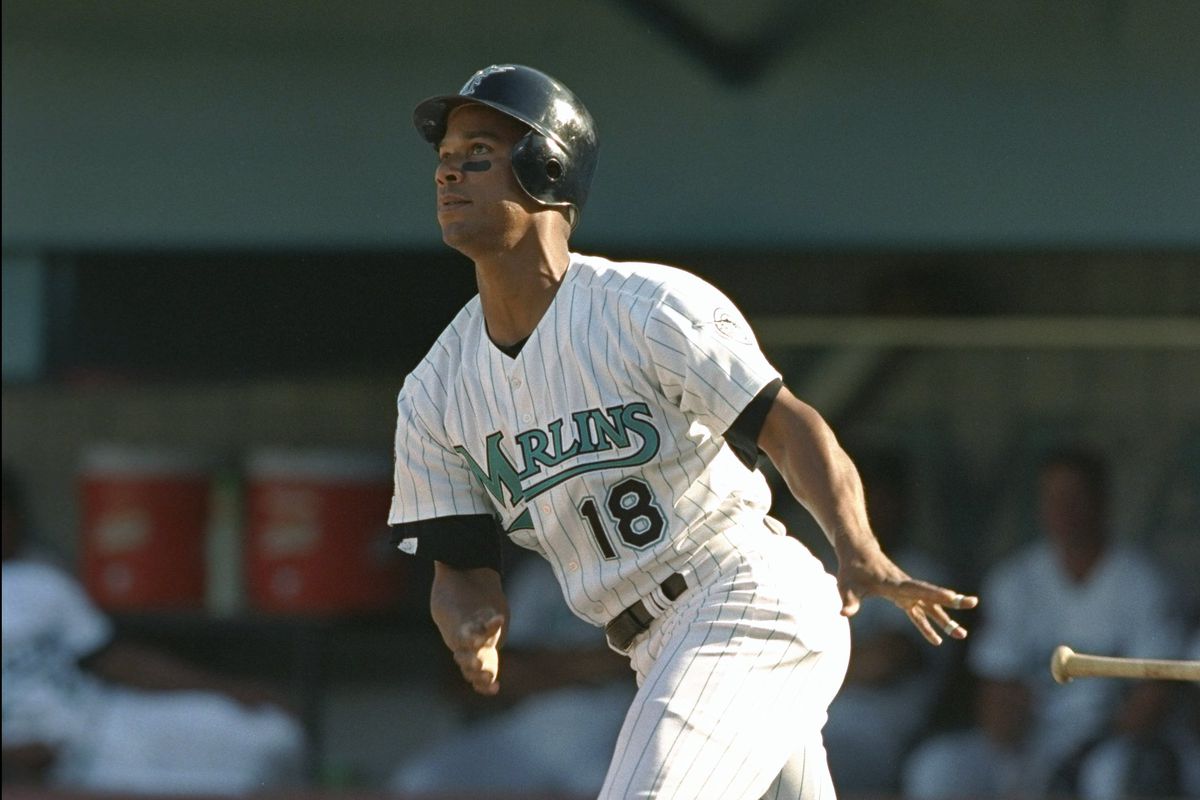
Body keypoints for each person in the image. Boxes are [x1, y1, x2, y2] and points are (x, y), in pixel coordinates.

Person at [388, 63, 978, 799]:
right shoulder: (435, 390)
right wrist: (470, 620)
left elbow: (789, 427)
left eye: (476, 152)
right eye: (444, 159)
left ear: (547, 165)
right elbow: (458, 567)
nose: (448, 174)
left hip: (741, 601)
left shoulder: (644, 308)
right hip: (653, 645)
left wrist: (855, 547)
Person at [902, 446, 1187, 799]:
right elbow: (997, 691)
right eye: (1053, 498)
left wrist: (1080, 753)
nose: (1063, 510)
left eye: (1074, 497)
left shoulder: (1142, 582)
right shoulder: (1014, 580)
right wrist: (1020, 748)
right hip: (1034, 740)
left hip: (1112, 743)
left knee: (1111, 772)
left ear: (1101, 502)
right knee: (939, 767)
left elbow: (1156, 692)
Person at [1, 465, 306, 795]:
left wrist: (227, 689)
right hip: (36, 758)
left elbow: (116, 659)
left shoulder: (41, 581)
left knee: (272, 734)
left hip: (103, 729)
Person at [389, 549, 636, 795]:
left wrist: (546, 665)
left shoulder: (633, 572)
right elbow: (504, 668)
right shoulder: (540, 573)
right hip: (529, 726)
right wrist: (592, 663)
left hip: (609, 725)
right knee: (418, 779)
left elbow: (630, 661)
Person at [818, 450, 957, 794]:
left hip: (879, 738)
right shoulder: (821, 568)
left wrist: (816, 668)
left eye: (881, 497)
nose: (870, 511)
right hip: (815, 722)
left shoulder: (922, 574)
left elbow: (889, 660)